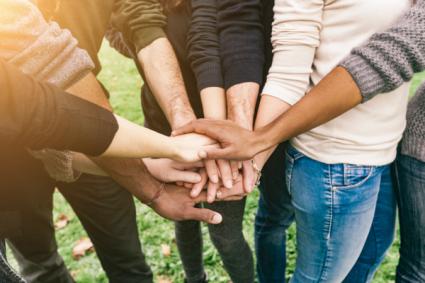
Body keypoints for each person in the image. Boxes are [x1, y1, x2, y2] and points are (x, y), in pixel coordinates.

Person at [175, 0, 415, 282]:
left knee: (368, 255)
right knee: (311, 267)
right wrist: (253, 154)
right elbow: (286, 71)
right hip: (337, 160)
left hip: (384, 149)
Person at [0, 1, 222, 282]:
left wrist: (180, 126)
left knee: (128, 264)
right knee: (41, 266)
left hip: (93, 127)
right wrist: (154, 169)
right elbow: (34, 94)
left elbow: (141, 22)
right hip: (12, 163)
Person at [107, 0, 267, 281]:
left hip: (213, 129)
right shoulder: (130, 8)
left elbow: (211, 43)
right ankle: (195, 278)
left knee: (225, 234)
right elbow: (118, 35)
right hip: (160, 127)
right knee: (183, 219)